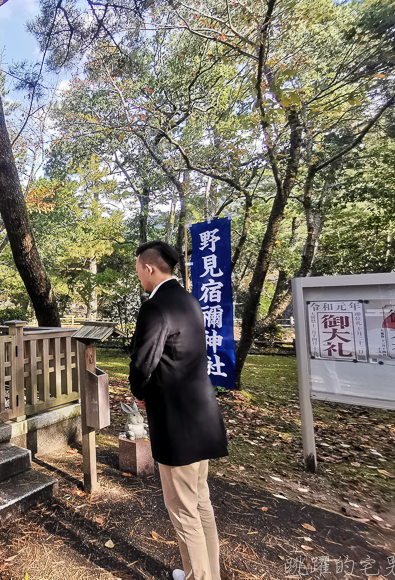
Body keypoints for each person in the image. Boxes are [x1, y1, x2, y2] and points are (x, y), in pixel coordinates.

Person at [128, 240, 228, 580]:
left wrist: (139, 393)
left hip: (177, 424)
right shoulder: (190, 301)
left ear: (149, 268)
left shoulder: (155, 307)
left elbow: (144, 362)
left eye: (139, 268)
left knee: (184, 511)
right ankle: (207, 572)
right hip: (203, 417)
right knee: (201, 503)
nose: (138, 274)